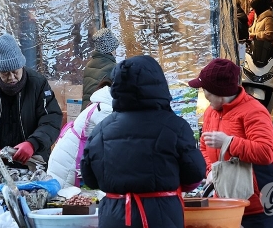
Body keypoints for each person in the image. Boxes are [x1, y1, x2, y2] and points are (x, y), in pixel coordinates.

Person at [81, 55, 205, 228]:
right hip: (161, 216)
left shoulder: (100, 130)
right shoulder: (176, 127)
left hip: (114, 217)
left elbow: (90, 179)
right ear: (160, 84)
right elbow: (195, 173)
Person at [194, 58, 273, 228]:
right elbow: (204, 147)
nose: (204, 95)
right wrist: (210, 171)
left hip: (260, 204)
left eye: (206, 90)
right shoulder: (210, 112)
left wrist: (229, 142)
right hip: (227, 201)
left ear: (219, 91)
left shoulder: (254, 111)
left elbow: (266, 152)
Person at [0, 34, 62, 177]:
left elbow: (51, 119)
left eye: (15, 71)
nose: (11, 78)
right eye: (5, 73)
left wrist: (33, 143)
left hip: (33, 165)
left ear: (22, 65)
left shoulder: (38, 84)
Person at [48, 78, 113, 188]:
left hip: (66, 158)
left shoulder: (101, 103)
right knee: (68, 199)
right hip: (68, 164)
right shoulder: (105, 109)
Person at [82, 27, 119, 109]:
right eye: (115, 48)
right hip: (101, 112)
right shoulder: (113, 68)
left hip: (87, 112)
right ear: (111, 49)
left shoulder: (89, 65)